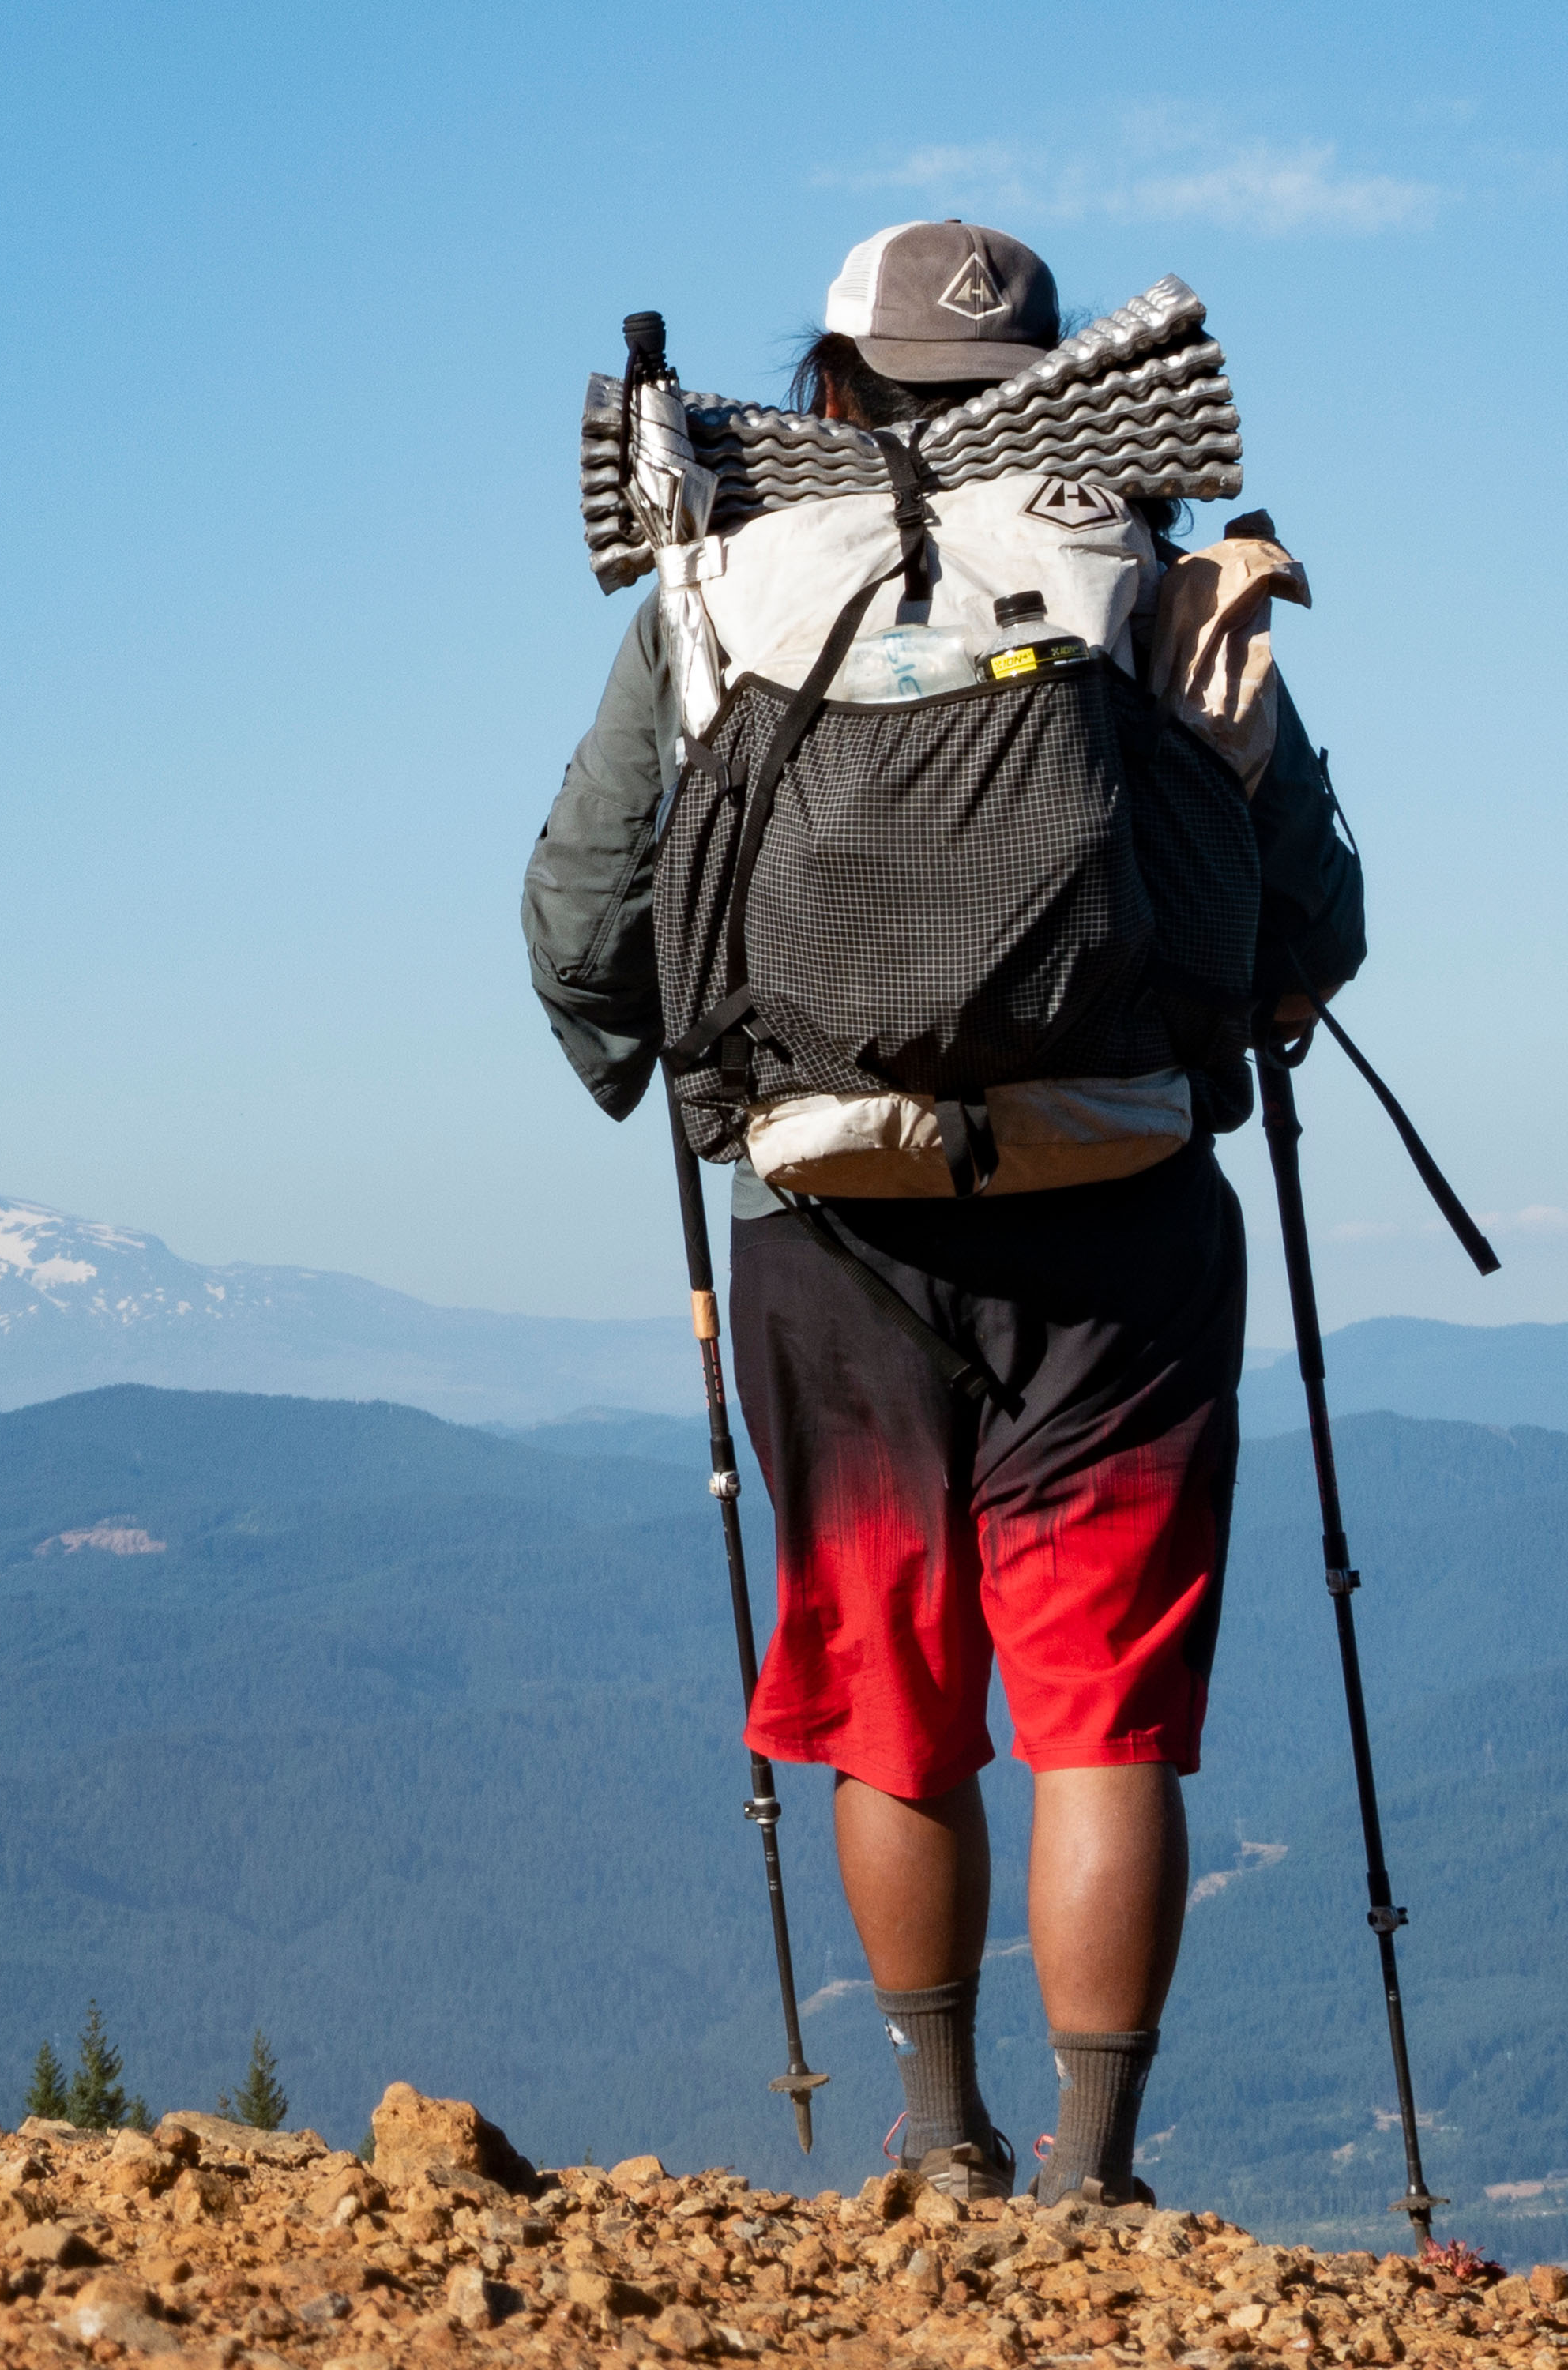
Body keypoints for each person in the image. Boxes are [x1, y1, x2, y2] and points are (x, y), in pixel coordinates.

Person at [521, 221, 1365, 2204]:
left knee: (892, 1686)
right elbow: (1311, 921)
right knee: (1102, 1711)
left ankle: (934, 2127)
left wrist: (694, 1071)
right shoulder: (1149, 574)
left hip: (830, 1227)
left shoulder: (710, 589)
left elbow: (576, 928)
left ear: (829, 392)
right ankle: (1094, 2165)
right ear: (1062, 386)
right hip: (1123, 1214)